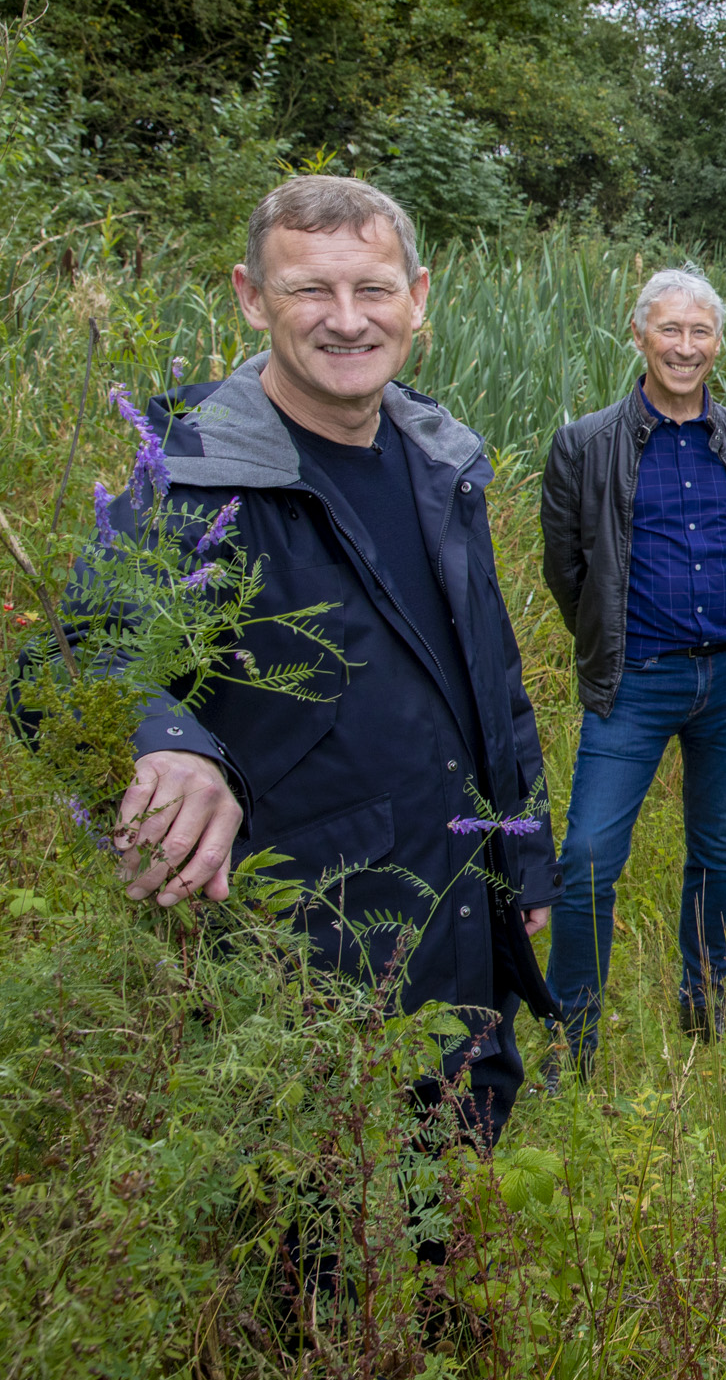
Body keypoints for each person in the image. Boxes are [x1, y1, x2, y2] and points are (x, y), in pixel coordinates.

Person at [77, 174, 557, 1146]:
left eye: (372, 289)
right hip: (305, 965)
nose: (347, 320)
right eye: (310, 291)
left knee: (444, 1221)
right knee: (314, 1256)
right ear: (252, 297)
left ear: (417, 298)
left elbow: (489, 691)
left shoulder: (441, 463)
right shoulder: (191, 478)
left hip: (460, 931)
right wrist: (163, 744)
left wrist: (519, 859)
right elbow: (84, 658)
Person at [539, 269, 726, 1073]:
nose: (685, 347)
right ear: (638, 336)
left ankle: (704, 1009)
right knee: (587, 859)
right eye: (669, 330)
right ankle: (571, 1040)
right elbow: (569, 573)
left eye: (700, 332)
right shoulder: (583, 445)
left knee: (718, 851)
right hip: (633, 682)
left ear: (719, 342)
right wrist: (616, 641)